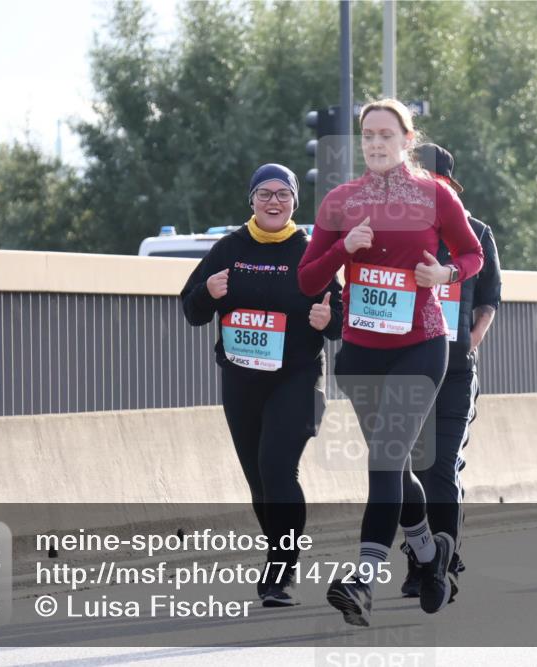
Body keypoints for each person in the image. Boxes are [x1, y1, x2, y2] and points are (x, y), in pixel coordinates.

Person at [298, 99, 484, 626]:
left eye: (386, 133)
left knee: (383, 458)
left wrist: (443, 277)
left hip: (421, 347)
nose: (376, 142)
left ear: (407, 139)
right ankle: (430, 555)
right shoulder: (341, 200)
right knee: (396, 466)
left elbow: (473, 256)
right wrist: (343, 251)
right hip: (359, 354)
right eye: (368, 134)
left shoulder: (433, 194)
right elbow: (308, 280)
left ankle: (363, 579)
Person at [182, 163, 343, 607]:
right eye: (264, 194)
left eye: (283, 194)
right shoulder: (228, 249)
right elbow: (191, 311)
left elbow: (341, 319)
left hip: (296, 378)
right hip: (241, 381)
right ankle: (279, 555)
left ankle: (281, 571)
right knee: (258, 480)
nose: (274, 202)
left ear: (294, 201)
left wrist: (329, 319)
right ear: (251, 201)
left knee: (277, 468)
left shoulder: (312, 250)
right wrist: (208, 294)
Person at [398, 143, 502, 603]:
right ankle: (419, 560)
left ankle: (443, 561)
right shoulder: (396, 232)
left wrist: (470, 341)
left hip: (455, 371)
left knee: (441, 468)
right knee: (406, 470)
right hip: (405, 366)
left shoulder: (476, 232)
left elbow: (489, 301)